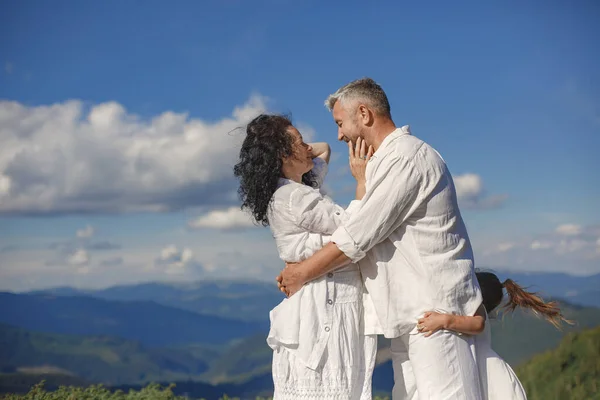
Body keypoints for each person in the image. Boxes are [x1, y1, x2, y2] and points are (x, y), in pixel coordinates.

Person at [278, 78, 484, 399]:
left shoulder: (406, 158)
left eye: (340, 123)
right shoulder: (386, 162)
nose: (339, 134)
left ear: (364, 113)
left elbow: (358, 235)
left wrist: (302, 273)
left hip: (437, 316)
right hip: (410, 319)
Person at [233, 113, 377, 399]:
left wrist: (292, 148)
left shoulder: (297, 188)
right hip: (328, 298)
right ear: (284, 154)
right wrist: (361, 181)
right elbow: (353, 227)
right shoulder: (295, 197)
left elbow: (324, 148)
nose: (308, 147)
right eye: (300, 142)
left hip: (322, 290)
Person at [415, 271, 573, 400]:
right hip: (487, 370)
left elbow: (478, 324)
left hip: (490, 374)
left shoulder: (477, 308)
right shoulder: (477, 308)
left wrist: (444, 320)